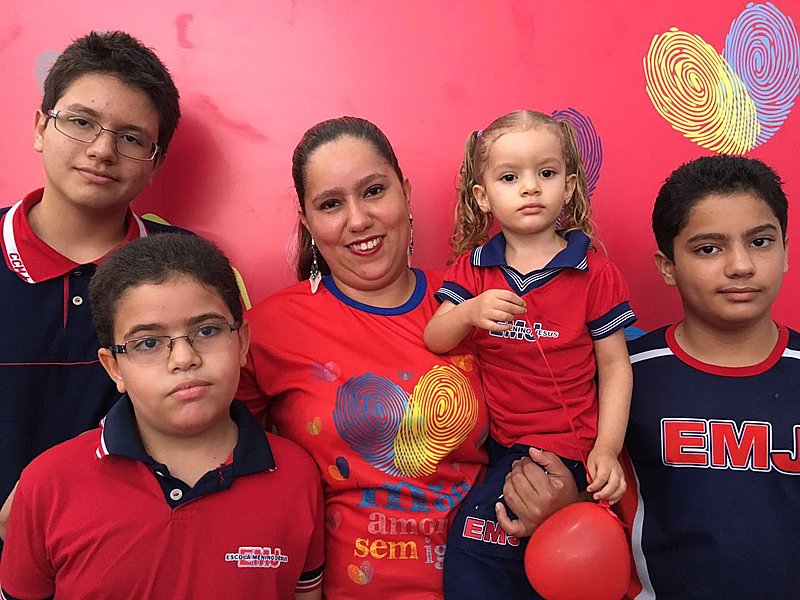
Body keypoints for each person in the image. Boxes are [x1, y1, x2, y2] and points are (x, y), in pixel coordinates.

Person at [237, 116, 490, 599]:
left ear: (405, 194)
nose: (357, 220)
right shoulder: (267, 330)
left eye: (374, 191)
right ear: (308, 223)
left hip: (488, 581)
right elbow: (213, 464)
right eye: (331, 204)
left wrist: (555, 483)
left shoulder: (473, 306)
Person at [0, 233, 325, 598]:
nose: (184, 358)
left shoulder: (297, 476)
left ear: (242, 342)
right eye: (148, 343)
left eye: (207, 330)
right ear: (114, 368)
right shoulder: (48, 485)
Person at [424, 110, 636, 599]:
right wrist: (470, 312)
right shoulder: (473, 269)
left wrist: (606, 449)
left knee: (483, 547)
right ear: (482, 196)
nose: (530, 188)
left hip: (568, 450)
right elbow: (436, 337)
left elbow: (615, 368)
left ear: (569, 186)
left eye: (546, 173)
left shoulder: (595, 273)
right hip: (503, 448)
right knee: (497, 549)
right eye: (509, 177)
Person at [0, 30, 187, 547]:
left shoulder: (188, 270)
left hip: (134, 555)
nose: (102, 150)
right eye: (81, 122)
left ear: (155, 163)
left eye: (131, 138)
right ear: (41, 127)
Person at [621, 155, 800, 598]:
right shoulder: (625, 375)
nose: (741, 265)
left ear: (785, 250)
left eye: (760, 242)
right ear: (667, 266)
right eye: (709, 249)